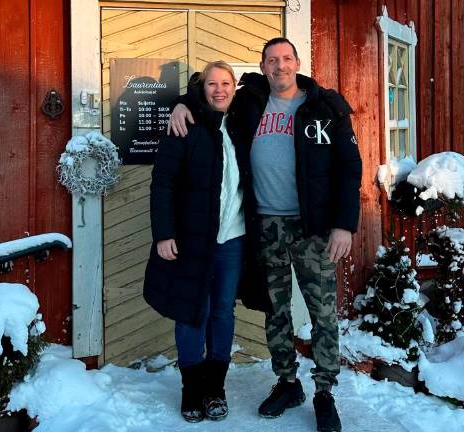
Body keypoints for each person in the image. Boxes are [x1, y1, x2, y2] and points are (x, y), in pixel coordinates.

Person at [168, 38, 362, 432]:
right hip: (264, 225)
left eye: (286, 59)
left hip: (313, 229)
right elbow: (209, 91)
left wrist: (345, 224)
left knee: (322, 312)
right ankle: (288, 383)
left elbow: (349, 167)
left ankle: (324, 392)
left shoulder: (325, 107)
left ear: (297, 63)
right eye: (272, 60)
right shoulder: (249, 100)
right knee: (275, 310)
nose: (279, 66)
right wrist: (182, 103)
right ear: (262, 65)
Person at [143, 61, 246, 423]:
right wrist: (164, 234)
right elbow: (163, 183)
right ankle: (191, 388)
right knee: (191, 311)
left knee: (222, 311)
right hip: (190, 240)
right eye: (211, 84)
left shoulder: (242, 123)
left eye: (226, 83)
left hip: (233, 239)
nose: (219, 90)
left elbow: (275, 87)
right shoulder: (185, 126)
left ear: (235, 88)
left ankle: (215, 388)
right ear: (202, 89)